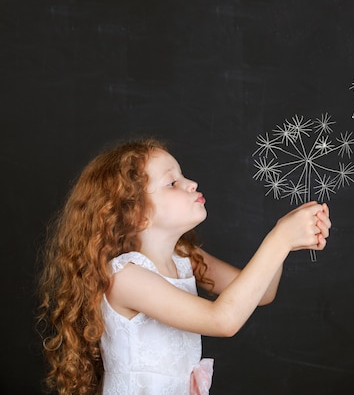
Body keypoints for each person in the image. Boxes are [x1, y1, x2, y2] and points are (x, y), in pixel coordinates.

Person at [36, 138, 331, 395]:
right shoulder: (124, 277)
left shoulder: (185, 258)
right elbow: (223, 320)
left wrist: (286, 241)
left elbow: (262, 292)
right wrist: (278, 239)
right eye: (173, 183)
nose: (191, 184)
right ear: (136, 213)